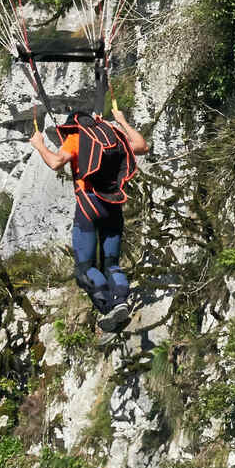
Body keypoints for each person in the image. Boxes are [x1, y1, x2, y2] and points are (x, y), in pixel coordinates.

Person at [30, 102, 149, 330]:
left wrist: (39, 146)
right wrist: (122, 120)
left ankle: (108, 310)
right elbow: (142, 146)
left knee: (85, 269)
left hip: (89, 205)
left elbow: (55, 162)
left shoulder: (75, 138)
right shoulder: (113, 135)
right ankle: (121, 301)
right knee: (112, 263)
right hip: (113, 204)